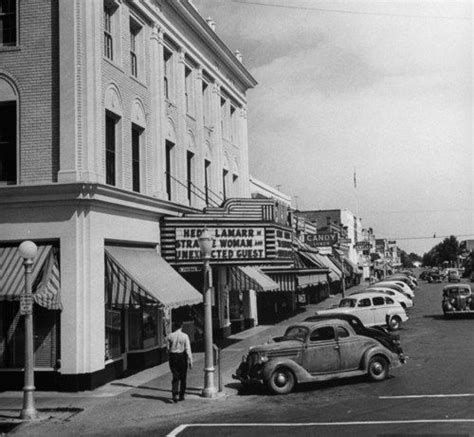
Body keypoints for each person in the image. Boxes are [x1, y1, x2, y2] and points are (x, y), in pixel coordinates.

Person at [167, 319, 193, 403]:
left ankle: (174, 394)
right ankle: (181, 395)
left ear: (174, 326)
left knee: (175, 376)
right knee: (183, 377)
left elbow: (167, 348)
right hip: (182, 356)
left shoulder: (170, 336)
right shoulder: (185, 336)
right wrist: (190, 360)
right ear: (181, 326)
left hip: (173, 356)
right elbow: (188, 349)